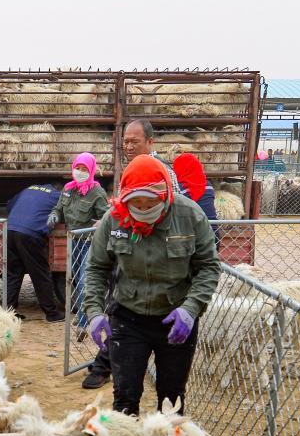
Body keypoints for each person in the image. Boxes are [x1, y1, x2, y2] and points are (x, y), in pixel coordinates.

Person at [84, 155, 220, 416]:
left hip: (175, 319)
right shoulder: (113, 219)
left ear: (166, 194)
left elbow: (208, 266)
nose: (144, 209)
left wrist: (190, 309)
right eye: (137, 203)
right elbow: (96, 268)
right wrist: (93, 312)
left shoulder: (190, 216)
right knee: (124, 398)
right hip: (127, 318)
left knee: (171, 398)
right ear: (125, 198)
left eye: (151, 202)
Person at [80, 118, 159, 389]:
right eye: (125, 141)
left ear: (151, 142)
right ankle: (107, 363)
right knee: (119, 308)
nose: (128, 146)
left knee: (123, 312)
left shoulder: (162, 173)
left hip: (149, 258)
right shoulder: (129, 170)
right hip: (124, 252)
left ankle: (105, 366)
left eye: (134, 141)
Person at [48, 152, 110, 336]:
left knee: (85, 281)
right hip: (73, 242)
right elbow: (58, 208)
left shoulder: (97, 192)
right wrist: (54, 215)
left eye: (84, 169)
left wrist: (101, 222)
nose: (80, 172)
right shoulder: (68, 188)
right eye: (78, 168)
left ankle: (83, 324)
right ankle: (82, 313)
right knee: (75, 280)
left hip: (90, 242)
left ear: (91, 170)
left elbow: (105, 215)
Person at [6, 182, 64, 323]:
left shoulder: (28, 189)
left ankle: (8, 314)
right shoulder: (57, 196)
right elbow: (63, 213)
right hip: (31, 233)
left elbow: (9, 205)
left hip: (10, 229)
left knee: (14, 274)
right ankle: (51, 314)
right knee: (41, 274)